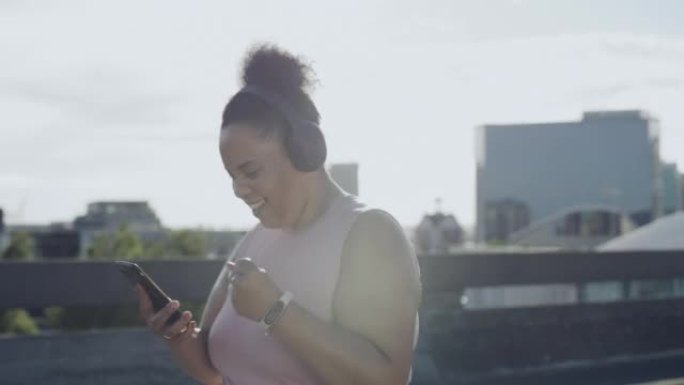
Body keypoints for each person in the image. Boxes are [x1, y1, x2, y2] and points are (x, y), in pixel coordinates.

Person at [137, 44, 422, 385]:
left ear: (305, 150)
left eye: (251, 172)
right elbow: (214, 370)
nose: (238, 189)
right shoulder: (255, 240)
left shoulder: (370, 234)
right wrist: (177, 335)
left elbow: (387, 379)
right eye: (233, 176)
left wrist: (275, 311)